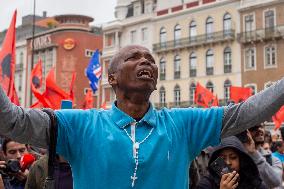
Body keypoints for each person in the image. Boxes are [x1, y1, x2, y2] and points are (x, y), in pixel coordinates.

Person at [1, 45, 284, 188]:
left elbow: (247, 113)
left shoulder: (183, 124)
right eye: (134, 57)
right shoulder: (79, 125)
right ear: (111, 77)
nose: (146, 61)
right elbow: (12, 120)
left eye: (150, 59)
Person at [196, 136, 267, 189]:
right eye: (223, 158)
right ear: (216, 161)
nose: (228, 162)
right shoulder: (206, 185)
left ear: (241, 160)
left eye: (233, 157)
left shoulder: (254, 184)